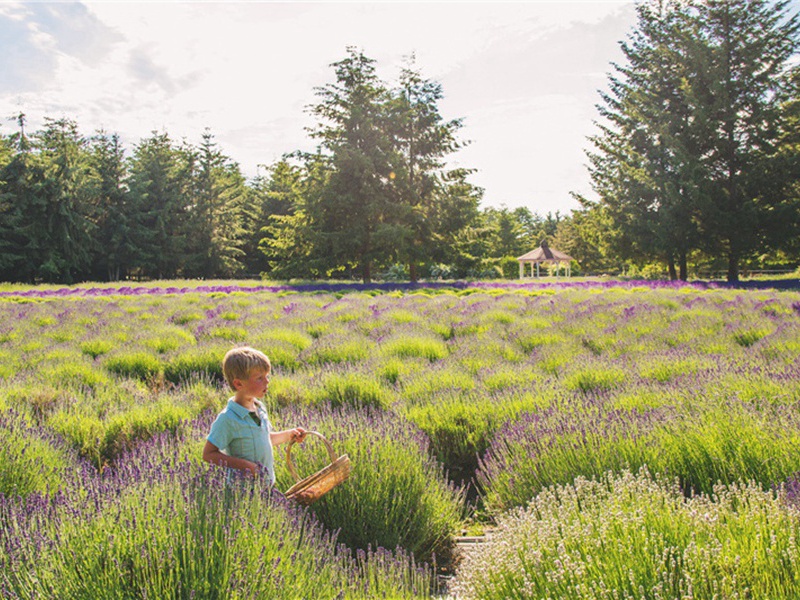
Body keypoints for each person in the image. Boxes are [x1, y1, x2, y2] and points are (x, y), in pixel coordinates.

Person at [202, 346, 307, 488]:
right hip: (242, 492)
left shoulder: (259, 408)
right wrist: (245, 466)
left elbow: (264, 438)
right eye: (259, 378)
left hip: (266, 485)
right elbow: (208, 454)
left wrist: (289, 435)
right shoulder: (228, 418)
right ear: (239, 383)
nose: (267, 381)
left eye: (267, 376)